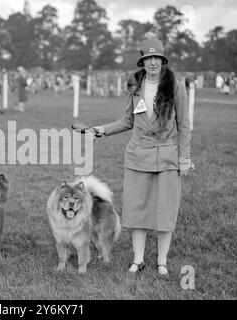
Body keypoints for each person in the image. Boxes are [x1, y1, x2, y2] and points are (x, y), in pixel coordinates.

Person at [92, 38, 194, 276]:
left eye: (156, 58)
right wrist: (102, 130)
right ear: (143, 62)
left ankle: (162, 262)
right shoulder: (135, 86)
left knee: (165, 211)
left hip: (167, 157)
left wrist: (183, 159)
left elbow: (185, 126)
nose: (152, 63)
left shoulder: (176, 86)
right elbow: (128, 120)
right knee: (136, 211)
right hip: (137, 156)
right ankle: (138, 260)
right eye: (148, 59)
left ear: (162, 60)